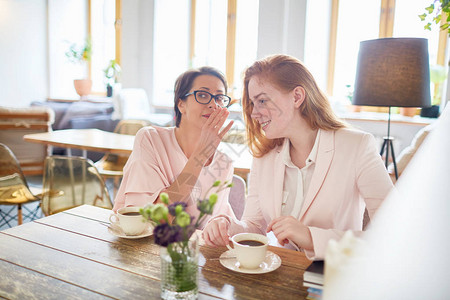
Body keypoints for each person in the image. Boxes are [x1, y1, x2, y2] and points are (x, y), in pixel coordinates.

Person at [202, 54, 394, 259]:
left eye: (262, 101)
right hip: (278, 275)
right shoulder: (264, 156)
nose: (254, 113)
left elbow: (395, 232)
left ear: (297, 97)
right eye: (252, 103)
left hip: (334, 277)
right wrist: (227, 225)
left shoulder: (356, 146)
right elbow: (255, 227)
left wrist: (311, 237)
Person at [113, 66, 236, 227]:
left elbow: (209, 229)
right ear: (181, 104)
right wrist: (201, 154)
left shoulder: (224, 162)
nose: (213, 104)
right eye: (203, 95)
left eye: (219, 98)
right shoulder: (150, 139)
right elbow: (153, 218)